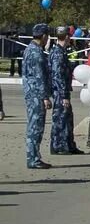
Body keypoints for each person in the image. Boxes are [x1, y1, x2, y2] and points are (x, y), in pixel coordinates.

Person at [48, 26, 83, 156]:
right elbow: (58, 76)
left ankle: (68, 144)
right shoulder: (57, 53)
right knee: (60, 118)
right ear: (67, 37)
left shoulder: (61, 51)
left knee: (67, 117)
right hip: (59, 92)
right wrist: (64, 96)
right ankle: (58, 145)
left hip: (63, 90)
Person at [22, 24, 53, 170]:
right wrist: (45, 97)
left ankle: (34, 156)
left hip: (31, 93)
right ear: (44, 36)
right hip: (36, 96)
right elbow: (39, 77)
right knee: (35, 127)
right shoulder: (36, 53)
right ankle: (33, 158)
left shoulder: (30, 49)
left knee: (34, 126)